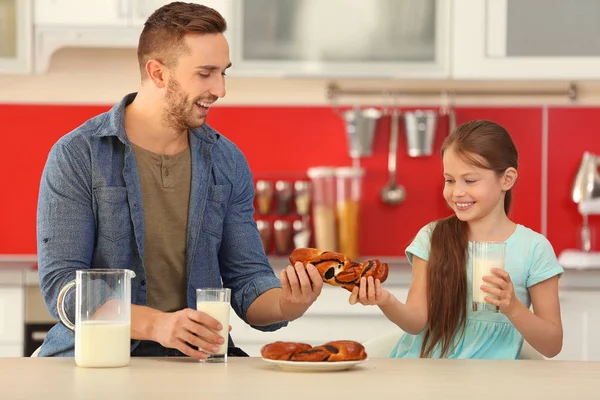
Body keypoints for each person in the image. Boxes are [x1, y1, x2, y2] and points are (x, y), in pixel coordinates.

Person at [36, 2, 323, 359]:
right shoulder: (79, 155)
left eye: (223, 73)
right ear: (157, 73)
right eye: (205, 73)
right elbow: (63, 289)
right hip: (99, 358)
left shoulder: (226, 160)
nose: (220, 90)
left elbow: (249, 281)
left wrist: (288, 303)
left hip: (199, 360)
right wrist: (157, 325)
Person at [349, 120, 563, 359]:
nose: (457, 192)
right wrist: (385, 300)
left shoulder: (534, 248)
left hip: (491, 384)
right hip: (426, 374)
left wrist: (512, 307)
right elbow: (416, 322)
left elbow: (552, 345)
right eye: (449, 180)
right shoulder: (432, 237)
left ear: (507, 179)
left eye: (469, 180)